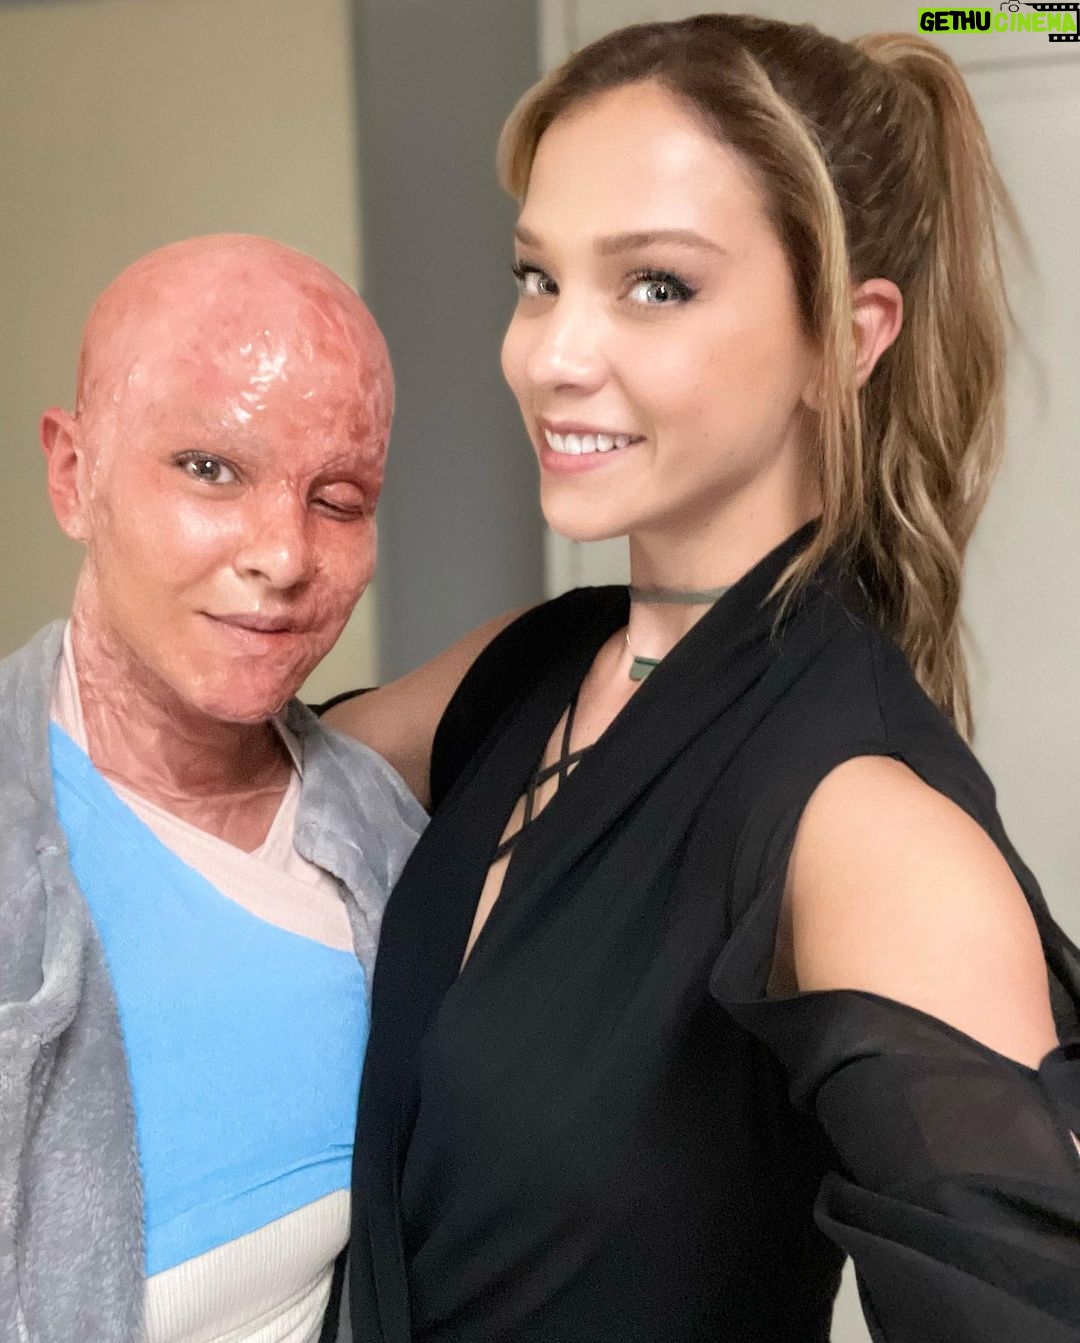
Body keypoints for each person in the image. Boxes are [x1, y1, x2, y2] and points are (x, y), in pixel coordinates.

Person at [324, 15, 1080, 1341]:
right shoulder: (530, 667)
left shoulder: (858, 815)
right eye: (537, 276)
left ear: (846, 339)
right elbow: (215, 784)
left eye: (656, 286)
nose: (550, 353)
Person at [0, 234, 426, 1343]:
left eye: (339, 498)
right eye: (210, 469)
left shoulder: (391, 848)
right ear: (73, 474)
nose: (282, 554)